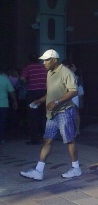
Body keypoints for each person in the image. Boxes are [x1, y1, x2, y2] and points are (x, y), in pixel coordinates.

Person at [20, 49, 81, 180]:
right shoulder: (49, 73)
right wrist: (41, 100)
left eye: (46, 60)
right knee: (47, 140)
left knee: (69, 140)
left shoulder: (66, 72)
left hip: (64, 111)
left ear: (54, 60)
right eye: (43, 60)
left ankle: (76, 168)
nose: (44, 63)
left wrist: (57, 101)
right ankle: (39, 171)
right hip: (52, 113)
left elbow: (73, 91)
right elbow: (52, 92)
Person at [20, 53, 48, 145]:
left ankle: (34, 139)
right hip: (44, 92)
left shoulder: (27, 68)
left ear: (29, 60)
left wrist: (27, 83)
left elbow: (22, 78)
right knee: (43, 115)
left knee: (33, 116)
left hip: (32, 92)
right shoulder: (43, 67)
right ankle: (45, 137)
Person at [0, 67, 18, 144]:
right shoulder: (5, 79)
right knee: (2, 122)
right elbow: (12, 91)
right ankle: (1, 138)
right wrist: (15, 101)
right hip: (3, 104)